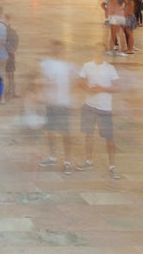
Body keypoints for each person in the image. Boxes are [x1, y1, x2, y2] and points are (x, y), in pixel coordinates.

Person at [77, 46, 121, 179]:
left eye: (102, 52)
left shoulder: (110, 69)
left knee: (109, 138)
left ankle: (112, 165)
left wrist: (102, 88)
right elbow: (80, 81)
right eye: (97, 51)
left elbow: (116, 87)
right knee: (88, 135)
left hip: (104, 108)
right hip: (89, 106)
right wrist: (88, 89)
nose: (99, 54)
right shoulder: (87, 66)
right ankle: (88, 161)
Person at [36, 39, 76, 173]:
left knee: (66, 133)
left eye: (59, 49)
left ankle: (67, 161)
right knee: (50, 131)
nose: (56, 51)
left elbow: (76, 82)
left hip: (63, 103)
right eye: (54, 48)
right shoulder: (46, 64)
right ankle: (52, 156)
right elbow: (40, 80)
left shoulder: (68, 66)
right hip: (51, 103)